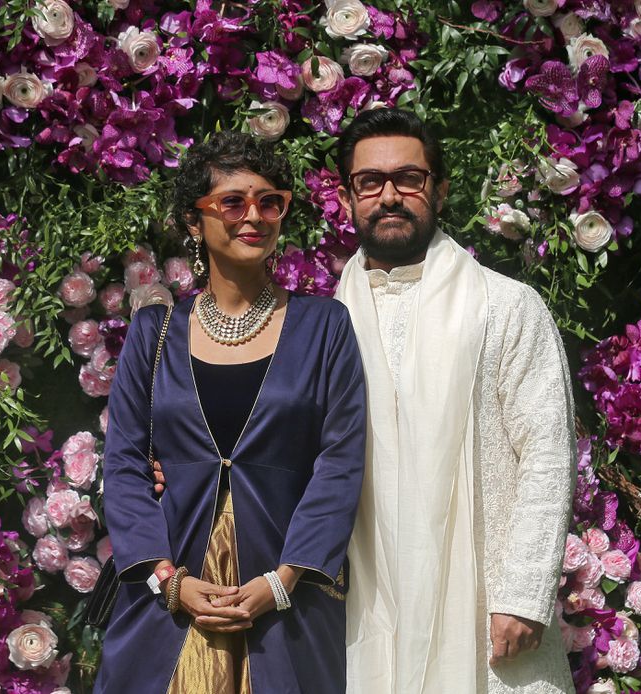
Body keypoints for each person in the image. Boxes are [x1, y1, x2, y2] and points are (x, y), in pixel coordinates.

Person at [95, 131, 366, 694]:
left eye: (270, 202)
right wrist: (169, 580)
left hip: (286, 604)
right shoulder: (154, 332)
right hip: (170, 601)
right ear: (195, 223)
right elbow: (122, 464)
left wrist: (286, 579)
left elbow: (340, 462)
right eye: (233, 202)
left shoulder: (324, 327)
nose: (255, 216)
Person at [334, 108, 576, 693]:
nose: (389, 196)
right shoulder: (324, 323)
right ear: (347, 199)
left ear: (438, 191)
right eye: (370, 182)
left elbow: (546, 452)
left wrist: (522, 594)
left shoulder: (507, 306)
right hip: (362, 605)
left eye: (409, 179)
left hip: (484, 607)